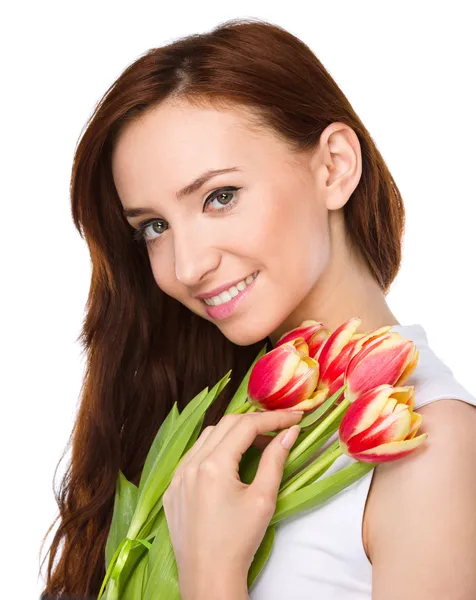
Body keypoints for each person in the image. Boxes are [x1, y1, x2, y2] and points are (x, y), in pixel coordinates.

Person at [39, 17, 476, 600]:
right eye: (153, 227)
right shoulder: (200, 421)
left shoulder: (434, 449)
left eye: (220, 197)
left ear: (335, 166)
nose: (186, 267)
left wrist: (213, 573)